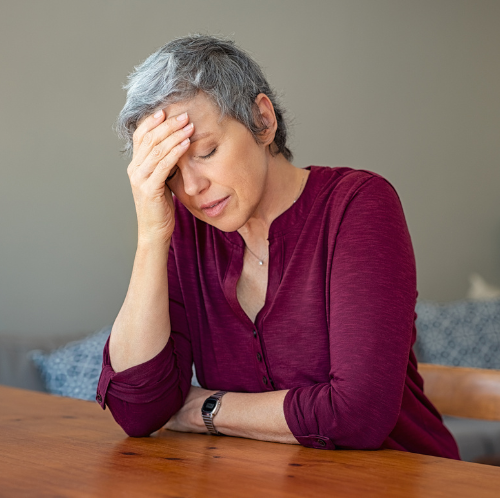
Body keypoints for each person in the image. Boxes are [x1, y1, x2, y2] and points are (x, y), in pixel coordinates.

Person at [96, 34, 460, 459]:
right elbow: (137, 412)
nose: (192, 188)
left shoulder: (358, 205)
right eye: (170, 174)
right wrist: (151, 237)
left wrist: (202, 408)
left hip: (400, 480)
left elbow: (358, 414)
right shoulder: (185, 233)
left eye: (207, 151)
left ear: (262, 120)